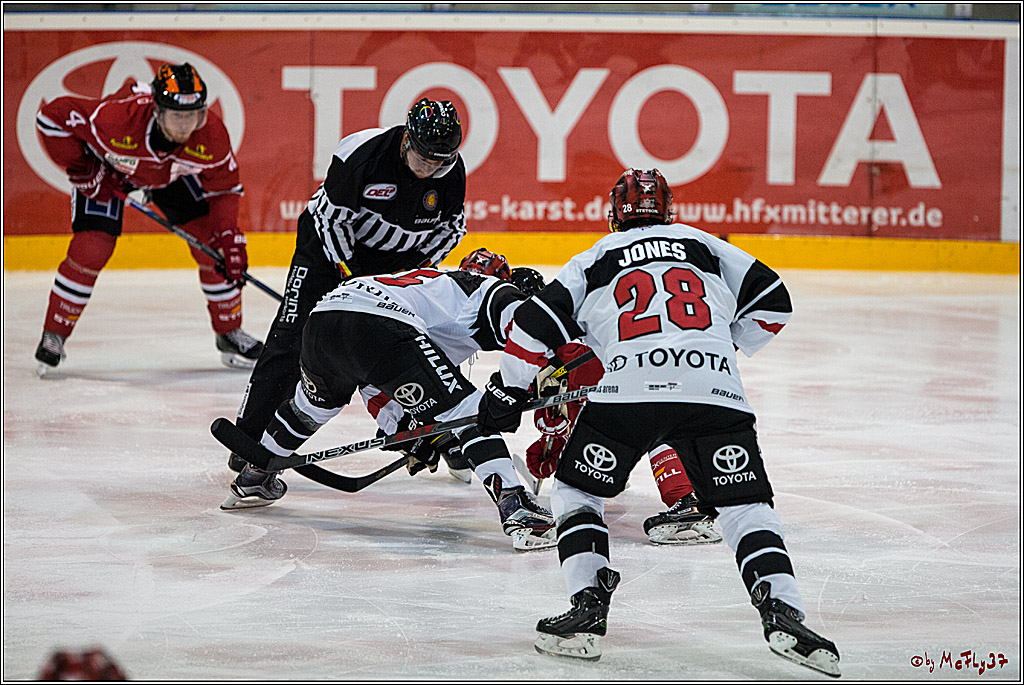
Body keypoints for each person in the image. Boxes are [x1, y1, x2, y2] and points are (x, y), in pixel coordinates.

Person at [476, 169, 840, 675]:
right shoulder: (705, 244)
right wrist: (719, 347)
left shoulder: (596, 257)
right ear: (670, 212)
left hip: (626, 395)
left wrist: (506, 389)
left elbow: (534, 326)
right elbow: (775, 301)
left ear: (613, 212)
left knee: (578, 494)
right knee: (745, 506)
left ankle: (587, 612)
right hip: (713, 392)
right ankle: (785, 615)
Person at [223, 250, 557, 552]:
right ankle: (519, 511)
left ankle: (254, 477)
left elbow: (380, 383)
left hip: (324, 318)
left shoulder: (434, 296)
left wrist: (406, 429)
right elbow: (530, 330)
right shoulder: (493, 291)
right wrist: (552, 369)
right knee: (470, 410)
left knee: (311, 407)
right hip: (378, 323)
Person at [228, 98, 467, 474]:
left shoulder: (450, 173)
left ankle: (436, 431)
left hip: (392, 266)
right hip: (327, 254)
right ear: (407, 140)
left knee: (405, 343)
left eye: (440, 162)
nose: (430, 169)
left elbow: (450, 231)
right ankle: (250, 440)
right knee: (292, 335)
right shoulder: (363, 152)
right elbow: (330, 220)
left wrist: (405, 278)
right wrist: (351, 280)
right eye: (424, 159)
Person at [33, 63, 262, 375]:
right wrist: (84, 170)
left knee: (213, 248)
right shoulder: (116, 119)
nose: (186, 124)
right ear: (157, 110)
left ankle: (229, 334)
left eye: (194, 114)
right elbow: (51, 118)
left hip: (170, 177)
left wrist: (229, 238)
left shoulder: (210, 134)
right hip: (109, 174)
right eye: (178, 115)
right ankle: (54, 334)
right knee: (91, 248)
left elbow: (224, 189)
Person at [527, 342, 722, 545]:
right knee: (657, 411)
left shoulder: (571, 351)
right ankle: (688, 500)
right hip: (658, 350)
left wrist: (562, 441)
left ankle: (686, 498)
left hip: (620, 349)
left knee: (652, 413)